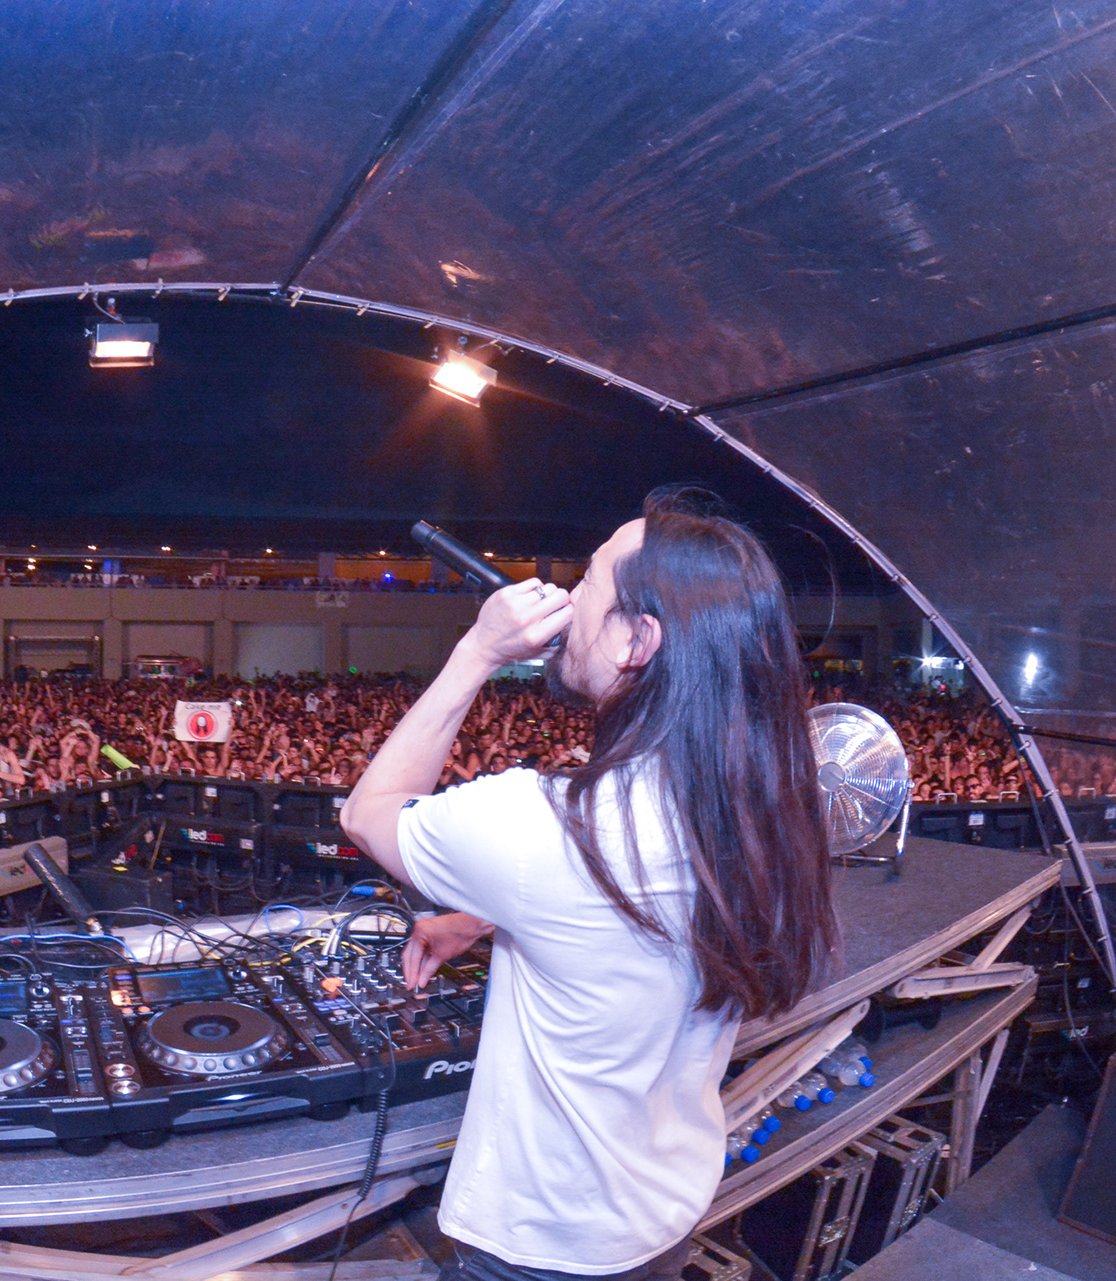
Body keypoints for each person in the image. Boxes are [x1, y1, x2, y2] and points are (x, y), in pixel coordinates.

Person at [341, 486, 835, 1279]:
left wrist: (478, 651)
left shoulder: (550, 824)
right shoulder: (766, 806)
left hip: (542, 1244)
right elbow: (641, 925)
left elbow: (369, 813)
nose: (567, 601)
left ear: (638, 638)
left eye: (588, 582)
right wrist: (490, 916)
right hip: (662, 1212)